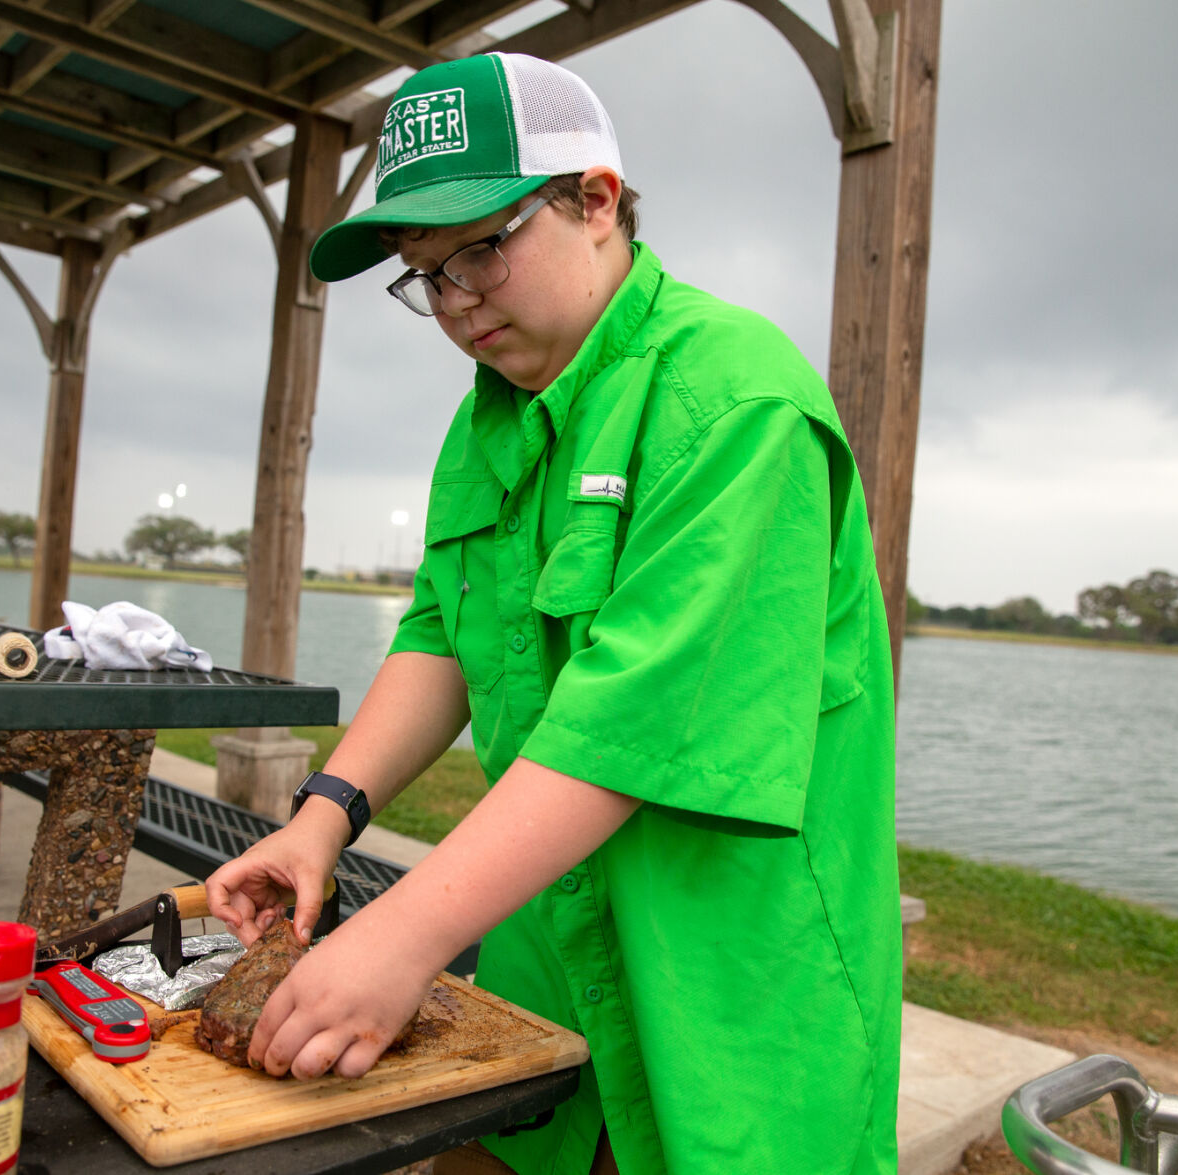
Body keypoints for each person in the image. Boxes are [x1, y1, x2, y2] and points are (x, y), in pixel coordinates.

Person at [206, 51, 901, 1175]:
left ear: (596, 200)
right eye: (424, 275)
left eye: (482, 246)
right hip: (545, 940)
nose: (457, 300)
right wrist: (324, 813)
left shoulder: (735, 399)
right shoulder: (486, 421)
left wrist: (402, 933)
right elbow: (442, 626)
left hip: (720, 975)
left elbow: (632, 725)